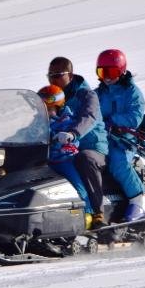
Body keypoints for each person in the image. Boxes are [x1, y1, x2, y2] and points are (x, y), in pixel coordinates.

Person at [46, 57, 108, 229]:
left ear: (70, 75)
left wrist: (73, 133)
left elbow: (88, 117)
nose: (53, 80)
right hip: (64, 149)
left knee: (84, 159)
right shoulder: (53, 96)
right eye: (50, 76)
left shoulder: (87, 95)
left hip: (92, 145)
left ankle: (97, 214)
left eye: (57, 75)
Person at [95, 49, 145, 222]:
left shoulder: (132, 92)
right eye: (102, 72)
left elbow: (134, 117)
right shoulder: (98, 93)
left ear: (121, 71)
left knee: (118, 161)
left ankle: (138, 199)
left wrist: (113, 121)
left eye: (111, 72)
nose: (107, 77)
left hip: (123, 139)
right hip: (101, 138)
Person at [38, 85, 94, 222]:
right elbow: (27, 132)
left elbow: (72, 138)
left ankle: (87, 212)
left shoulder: (67, 120)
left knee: (76, 184)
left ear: (58, 107)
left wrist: (65, 138)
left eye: (49, 109)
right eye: (43, 109)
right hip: (44, 162)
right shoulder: (38, 122)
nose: (45, 112)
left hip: (64, 159)